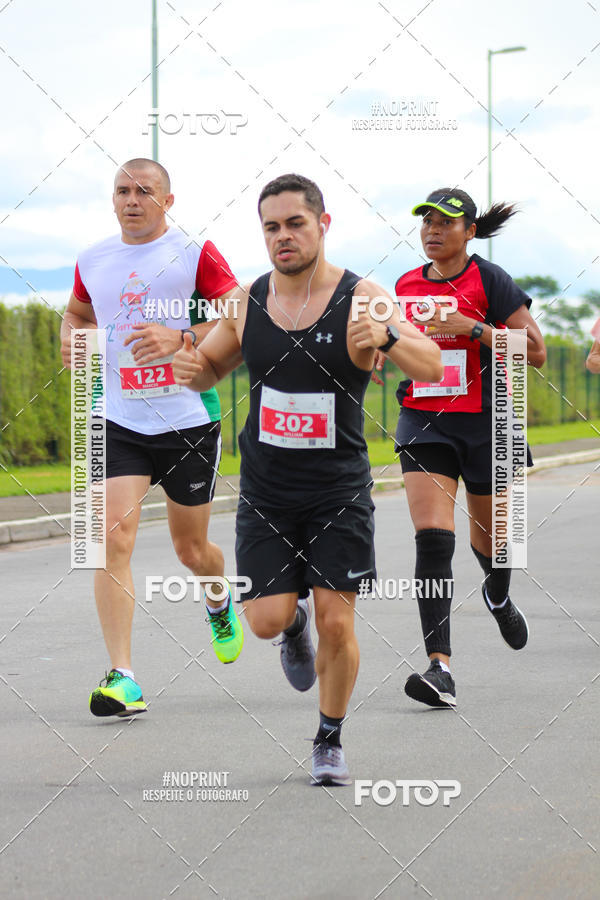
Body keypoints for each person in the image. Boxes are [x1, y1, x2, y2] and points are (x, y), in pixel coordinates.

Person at [172, 173, 442, 784]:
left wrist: (389, 337)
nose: (283, 237)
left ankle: (329, 738)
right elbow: (209, 367)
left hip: (337, 491)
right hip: (266, 491)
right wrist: (189, 366)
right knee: (265, 620)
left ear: (323, 224)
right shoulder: (247, 301)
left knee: (337, 622)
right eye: (271, 227)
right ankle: (290, 625)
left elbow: (431, 364)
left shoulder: (363, 297)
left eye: (295, 223)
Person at [60, 157, 244, 719]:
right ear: (112, 198)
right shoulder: (92, 259)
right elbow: (77, 315)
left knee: (192, 550)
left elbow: (241, 314)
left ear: (168, 200)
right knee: (108, 539)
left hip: (187, 419)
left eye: (144, 190)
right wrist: (71, 338)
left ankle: (218, 597)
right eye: (122, 190)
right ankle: (124, 677)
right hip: (116, 418)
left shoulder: (195, 252)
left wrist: (181, 335)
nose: (132, 200)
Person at [392, 188, 546, 708]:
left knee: (497, 543)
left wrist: (473, 328)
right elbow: (400, 340)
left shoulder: (490, 280)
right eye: (427, 221)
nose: (433, 230)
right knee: (434, 539)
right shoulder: (405, 285)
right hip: (425, 419)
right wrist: (381, 350)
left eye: (446, 222)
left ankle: (497, 594)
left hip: (488, 423)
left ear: (470, 231)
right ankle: (440, 668)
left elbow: (536, 352)